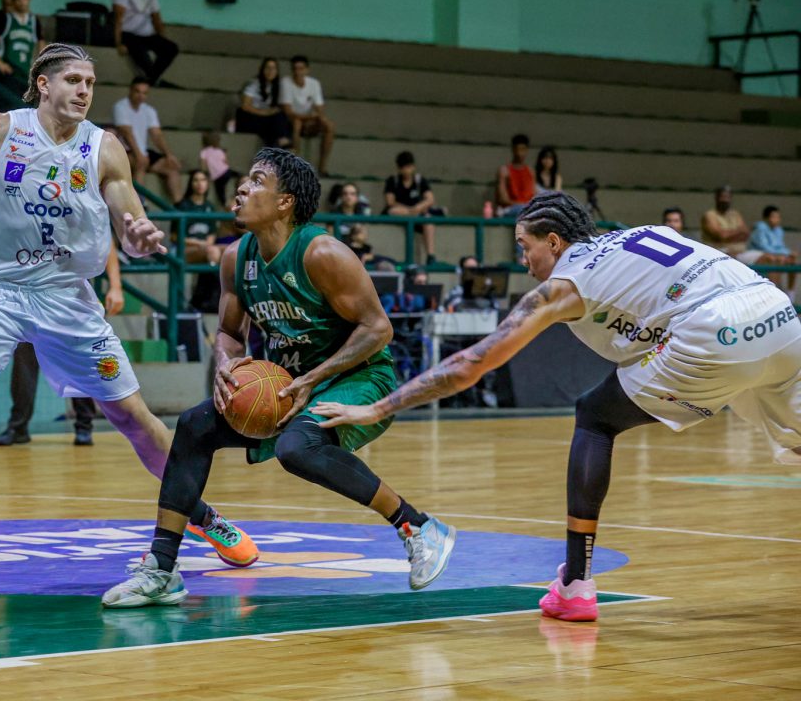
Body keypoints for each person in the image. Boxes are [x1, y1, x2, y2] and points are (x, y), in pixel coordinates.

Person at [0, 43, 258, 586]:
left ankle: (201, 515)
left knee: (135, 420)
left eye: (90, 83)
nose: (84, 90)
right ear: (43, 84)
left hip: (68, 300)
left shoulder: (105, 147)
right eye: (73, 80)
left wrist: (141, 236)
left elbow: (131, 225)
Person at [314, 192, 801, 622]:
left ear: (553, 241)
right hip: (776, 311)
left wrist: (378, 409)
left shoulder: (564, 284)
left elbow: (469, 365)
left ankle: (576, 583)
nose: (523, 261)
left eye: (524, 247)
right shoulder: (637, 235)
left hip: (713, 328)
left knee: (596, 417)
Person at [100, 148, 456, 608]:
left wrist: (316, 377)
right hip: (289, 382)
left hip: (359, 377)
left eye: (256, 181)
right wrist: (226, 365)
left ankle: (417, 526)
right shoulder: (236, 258)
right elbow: (230, 333)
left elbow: (378, 329)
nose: (241, 188)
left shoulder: (322, 253)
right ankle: (162, 570)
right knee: (193, 426)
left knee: (297, 447)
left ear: (285, 202)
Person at [0, 245, 125, 447]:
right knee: (24, 362)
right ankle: (18, 426)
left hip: (72, 298)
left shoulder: (79, 224)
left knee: (78, 363)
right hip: (31, 296)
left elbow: (107, 245)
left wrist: (116, 286)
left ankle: (84, 425)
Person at [112, 77, 182, 200]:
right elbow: (127, 133)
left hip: (143, 151)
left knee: (171, 167)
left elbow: (157, 135)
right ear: (130, 90)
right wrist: (139, 155)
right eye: (137, 91)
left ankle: (179, 205)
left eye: (144, 93)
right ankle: (140, 202)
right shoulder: (121, 106)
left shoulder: (149, 110)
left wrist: (169, 155)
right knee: (141, 163)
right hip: (125, 151)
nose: (140, 96)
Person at [112, 0, 178, 87]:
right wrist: (118, 43)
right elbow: (118, 18)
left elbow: (157, 19)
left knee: (171, 48)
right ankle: (154, 80)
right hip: (128, 34)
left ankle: (151, 79)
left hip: (147, 35)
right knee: (141, 54)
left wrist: (162, 38)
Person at [0, 0, 46, 104]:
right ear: (13, 1)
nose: (21, 2)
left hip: (26, 73)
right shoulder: (5, 19)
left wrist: (38, 66)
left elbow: (41, 43)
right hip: (8, 73)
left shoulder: (33, 21)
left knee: (25, 110)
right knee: (6, 109)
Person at [281, 55, 335, 176]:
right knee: (297, 124)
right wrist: (310, 117)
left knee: (329, 125)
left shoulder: (314, 83)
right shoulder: (286, 82)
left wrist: (314, 118)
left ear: (307, 70)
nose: (298, 72)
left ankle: (322, 167)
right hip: (290, 121)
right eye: (295, 69)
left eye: (301, 69)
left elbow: (320, 109)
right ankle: (295, 166)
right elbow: (288, 112)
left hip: (309, 121)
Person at [384, 151, 440, 264]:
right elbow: (390, 201)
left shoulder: (420, 181)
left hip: (417, 214)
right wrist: (410, 210)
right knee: (394, 211)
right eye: (403, 168)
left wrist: (419, 207)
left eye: (408, 167)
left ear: (413, 167)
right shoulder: (393, 180)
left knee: (429, 220)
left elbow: (430, 199)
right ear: (399, 168)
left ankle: (430, 255)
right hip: (401, 213)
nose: (406, 171)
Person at [235, 58, 292, 149]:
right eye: (268, 68)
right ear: (262, 70)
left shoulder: (278, 86)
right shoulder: (253, 84)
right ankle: (280, 142)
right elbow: (245, 106)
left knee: (280, 116)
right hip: (252, 117)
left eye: (273, 68)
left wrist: (270, 113)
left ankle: (282, 141)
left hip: (267, 120)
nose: (270, 71)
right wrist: (265, 113)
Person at [701, 186, 760, 265]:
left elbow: (746, 234)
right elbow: (721, 236)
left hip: (740, 252)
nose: (725, 200)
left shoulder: (735, 214)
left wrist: (728, 236)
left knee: (769, 258)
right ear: (716, 198)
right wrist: (738, 231)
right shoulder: (710, 215)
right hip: (718, 253)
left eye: (728, 197)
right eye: (723, 197)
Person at [176, 170, 224, 265]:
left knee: (233, 250)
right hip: (185, 248)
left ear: (207, 183)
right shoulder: (183, 206)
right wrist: (199, 243)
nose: (200, 184)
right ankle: (211, 274)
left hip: (207, 247)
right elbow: (175, 237)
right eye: (196, 180)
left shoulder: (210, 207)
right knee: (213, 251)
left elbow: (212, 233)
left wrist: (207, 244)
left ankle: (248, 274)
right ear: (190, 184)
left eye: (203, 180)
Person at [749, 205, 797, 293]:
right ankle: (775, 290)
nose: (777, 219)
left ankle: (790, 292)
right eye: (774, 217)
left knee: (792, 261)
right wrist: (786, 253)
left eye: (778, 217)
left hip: (772, 253)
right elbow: (763, 247)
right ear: (766, 218)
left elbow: (780, 246)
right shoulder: (760, 228)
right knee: (777, 259)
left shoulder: (779, 230)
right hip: (756, 252)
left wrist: (788, 254)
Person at [496, 134, 535, 217]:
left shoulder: (530, 171)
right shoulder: (504, 171)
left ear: (527, 150)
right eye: (517, 149)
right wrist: (523, 205)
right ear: (513, 150)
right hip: (510, 209)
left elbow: (534, 195)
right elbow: (503, 199)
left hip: (527, 210)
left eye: (523, 149)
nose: (520, 153)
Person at [200, 131, 238, 205]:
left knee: (220, 191)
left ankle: (224, 204)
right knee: (234, 175)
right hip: (226, 171)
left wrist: (205, 173)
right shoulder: (220, 151)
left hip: (217, 176)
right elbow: (226, 162)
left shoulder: (204, 152)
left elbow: (203, 165)